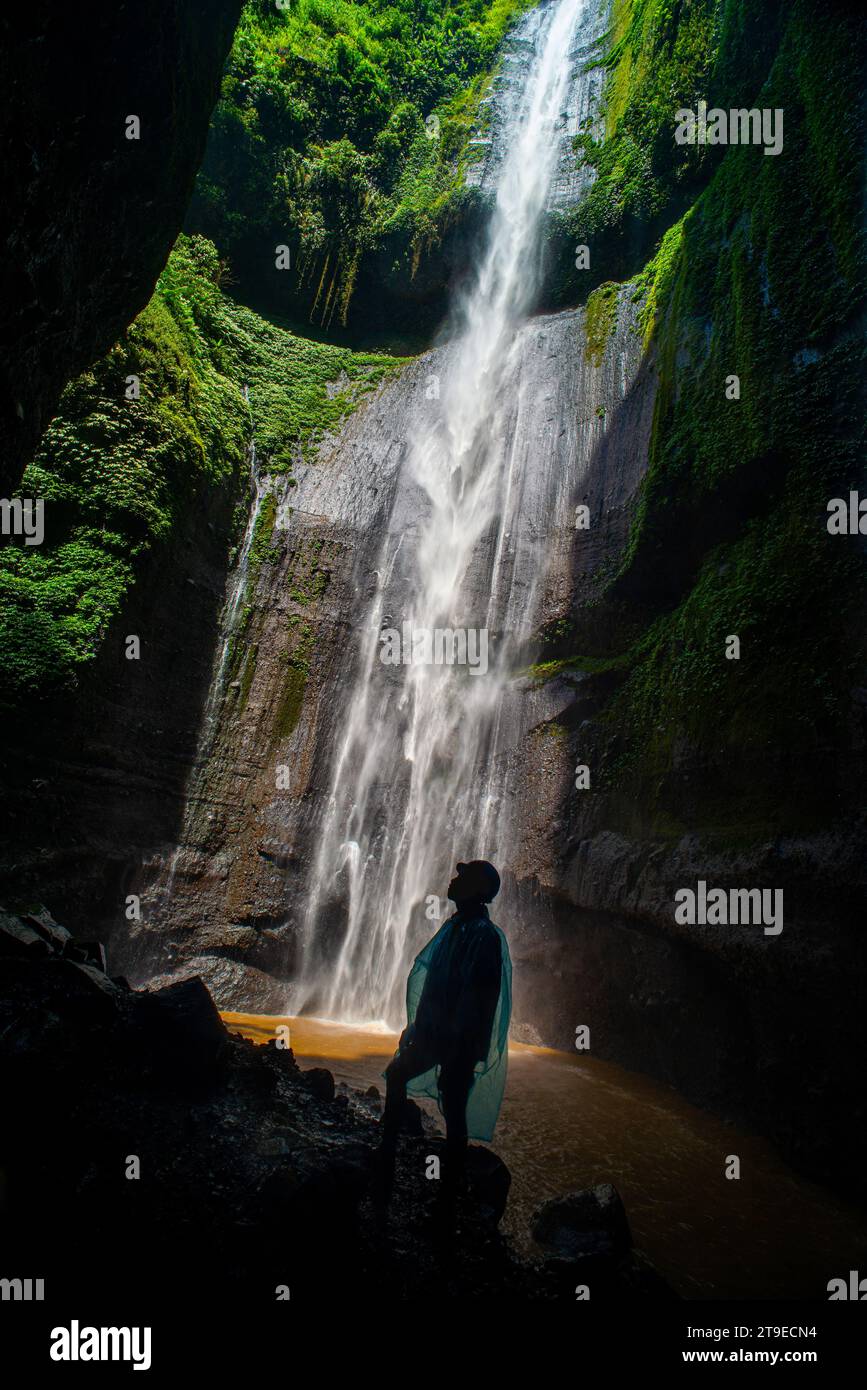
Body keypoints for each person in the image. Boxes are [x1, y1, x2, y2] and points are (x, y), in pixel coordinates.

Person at [374, 860, 512, 1207]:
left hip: (456, 1042)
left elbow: (479, 998)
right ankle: (390, 1156)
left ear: (477, 889)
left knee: (451, 1109)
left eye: (461, 878)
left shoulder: (483, 936)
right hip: (438, 1036)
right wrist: (418, 1028)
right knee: (403, 1079)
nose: (452, 881)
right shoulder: (458, 928)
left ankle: (444, 1192)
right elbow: (434, 983)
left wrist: (456, 1043)